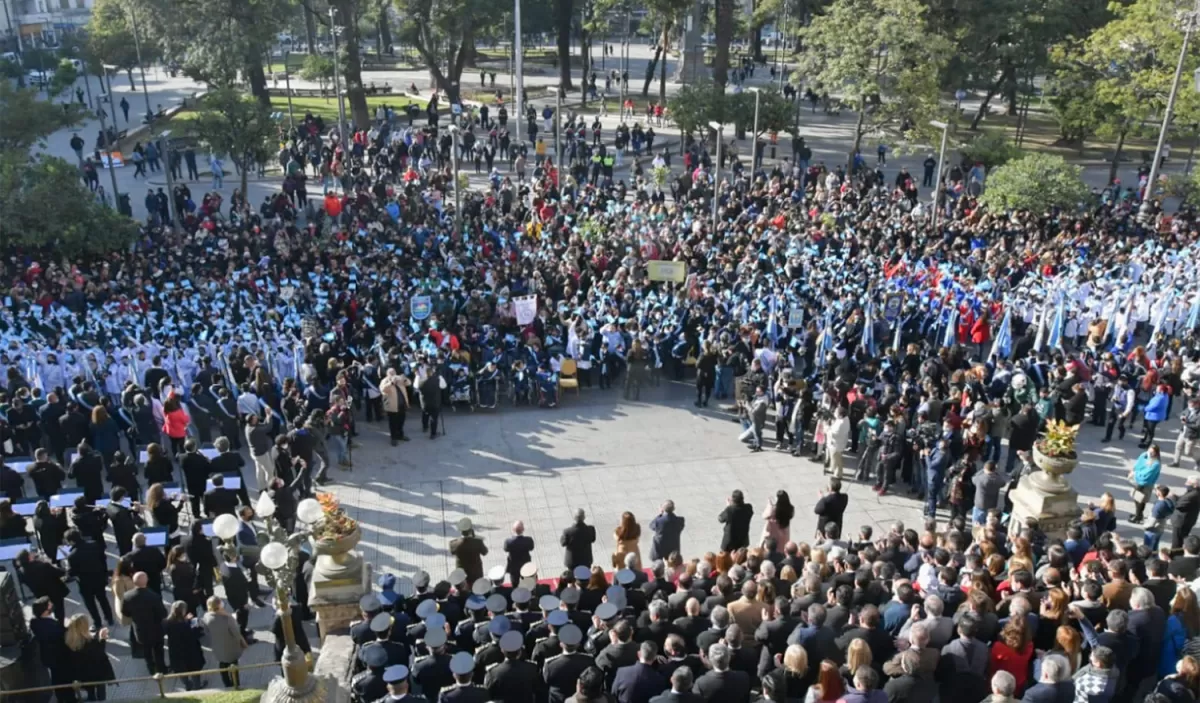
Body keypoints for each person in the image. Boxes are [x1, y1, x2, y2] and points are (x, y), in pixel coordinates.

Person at [124, 571, 168, 674]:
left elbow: (125, 612)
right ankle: (162, 669)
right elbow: (163, 614)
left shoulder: (127, 596)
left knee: (146, 651)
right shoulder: (154, 596)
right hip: (156, 629)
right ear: (146, 581)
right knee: (158, 651)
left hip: (140, 631)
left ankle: (151, 670)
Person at [63, 614, 115, 700]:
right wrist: (102, 638)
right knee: (101, 690)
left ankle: (91, 698)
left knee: (90, 691)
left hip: (82, 673)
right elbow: (100, 653)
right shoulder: (90, 642)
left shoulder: (69, 640)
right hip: (97, 673)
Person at [202, 596, 249, 688]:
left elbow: (207, 632)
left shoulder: (206, 617)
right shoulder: (227, 618)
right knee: (233, 665)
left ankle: (227, 684)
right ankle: (236, 683)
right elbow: (236, 633)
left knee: (222, 664)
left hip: (217, 646)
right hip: (230, 647)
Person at [164, 600, 207, 691]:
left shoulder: (167, 622)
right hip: (190, 651)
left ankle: (187, 685)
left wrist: (186, 620)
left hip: (176, 651)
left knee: (181, 670)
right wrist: (197, 626)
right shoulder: (185, 625)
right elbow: (194, 634)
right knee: (194, 670)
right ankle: (197, 686)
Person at [1130, 444, 1162, 523]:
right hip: (1138, 480)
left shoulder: (1156, 464)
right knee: (1136, 498)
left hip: (1145, 483)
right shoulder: (1144, 455)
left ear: (1156, 453)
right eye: (1149, 451)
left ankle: (1138, 516)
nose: (1150, 454)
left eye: (1152, 452)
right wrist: (1133, 470)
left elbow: (1147, 474)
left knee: (1140, 500)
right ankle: (1138, 514)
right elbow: (1138, 464)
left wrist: (1135, 473)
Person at [450, 518, 488, 584]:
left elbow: (452, 552)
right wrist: (474, 537)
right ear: (471, 530)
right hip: (476, 572)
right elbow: (485, 552)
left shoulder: (454, 544)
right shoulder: (477, 542)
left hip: (462, 573)